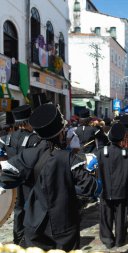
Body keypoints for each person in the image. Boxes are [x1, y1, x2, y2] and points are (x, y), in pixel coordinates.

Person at [0, 104, 100, 251]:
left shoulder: (28, 155)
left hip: (34, 225)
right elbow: (93, 188)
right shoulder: (70, 159)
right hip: (65, 227)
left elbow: (5, 180)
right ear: (61, 132)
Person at [0, 105, 40, 246]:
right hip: (31, 180)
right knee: (32, 209)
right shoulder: (35, 139)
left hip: (14, 182)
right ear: (28, 121)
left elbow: (2, 157)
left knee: (18, 210)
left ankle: (18, 239)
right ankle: (31, 240)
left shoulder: (7, 139)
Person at [95, 122, 128, 249]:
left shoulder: (101, 152)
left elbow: (96, 170)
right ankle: (120, 240)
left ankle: (108, 239)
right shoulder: (125, 153)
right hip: (121, 190)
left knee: (105, 216)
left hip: (105, 189)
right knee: (121, 216)